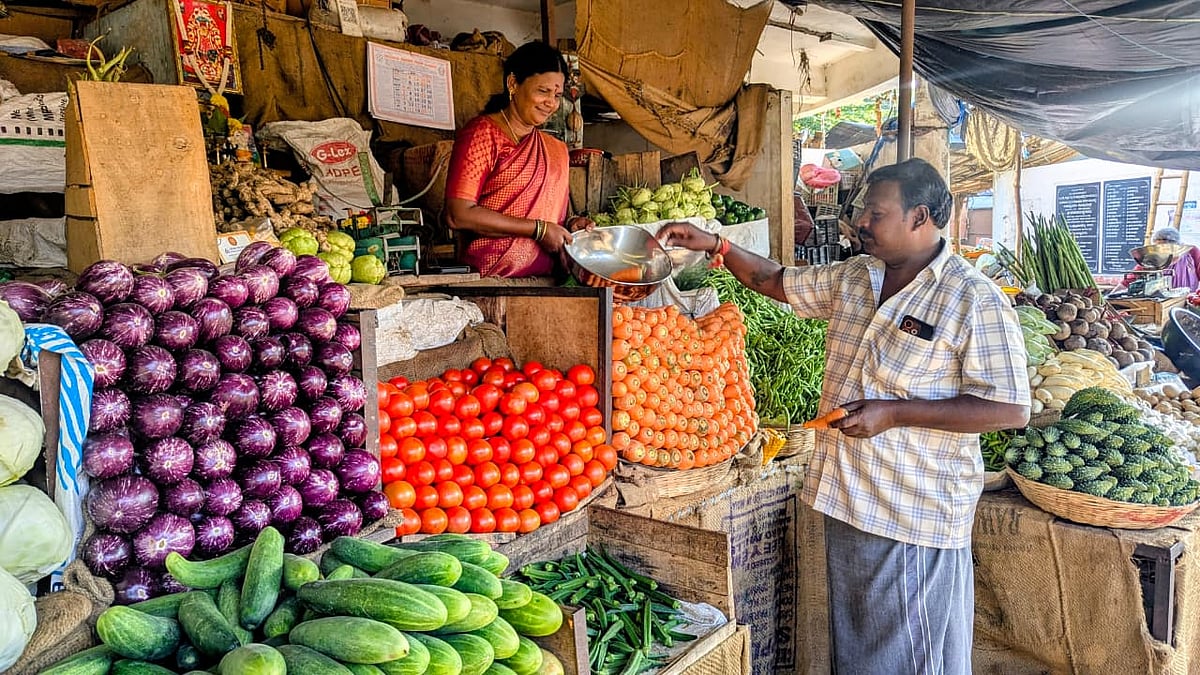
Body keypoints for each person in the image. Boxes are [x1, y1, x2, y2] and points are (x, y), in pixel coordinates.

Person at [658, 158, 1030, 674]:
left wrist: (895, 412)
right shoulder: (858, 275)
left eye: (876, 214)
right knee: (861, 648)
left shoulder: (973, 299)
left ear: (919, 217)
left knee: (908, 655)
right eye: (863, 212)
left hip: (913, 509)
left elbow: (1008, 408)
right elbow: (774, 280)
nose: (861, 223)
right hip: (849, 494)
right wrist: (717, 245)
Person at [444, 41, 592, 277]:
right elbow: (458, 214)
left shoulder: (554, 149)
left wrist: (571, 226)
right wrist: (540, 230)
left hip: (548, 284)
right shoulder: (482, 135)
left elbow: (550, 216)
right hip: (491, 283)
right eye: (543, 91)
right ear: (513, 83)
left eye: (557, 95)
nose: (551, 103)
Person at [1117, 226, 1200, 292]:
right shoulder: (1151, 259)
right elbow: (1127, 282)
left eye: (1165, 248)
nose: (1161, 253)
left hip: (1188, 302)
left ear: (1176, 246)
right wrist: (1109, 299)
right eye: (1157, 249)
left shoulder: (1191, 253)